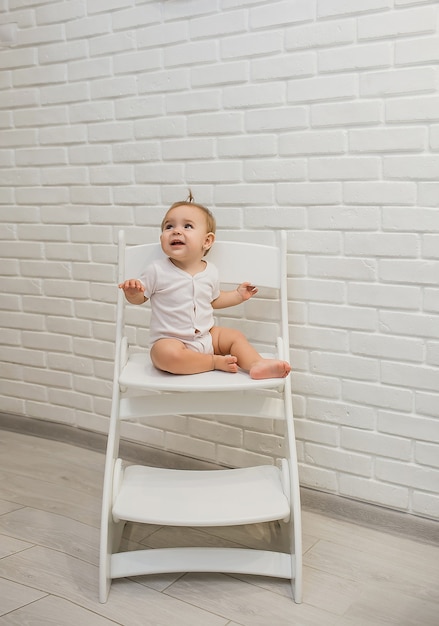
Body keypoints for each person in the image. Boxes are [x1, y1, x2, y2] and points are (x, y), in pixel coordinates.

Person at [118, 193, 291, 380]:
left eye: (187, 226)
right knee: (165, 355)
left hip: (207, 336)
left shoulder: (211, 272)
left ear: (207, 241)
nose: (176, 231)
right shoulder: (157, 270)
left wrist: (237, 295)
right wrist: (133, 292)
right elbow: (139, 298)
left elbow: (214, 300)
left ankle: (255, 364)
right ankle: (213, 362)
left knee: (234, 336)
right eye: (169, 226)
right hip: (171, 341)